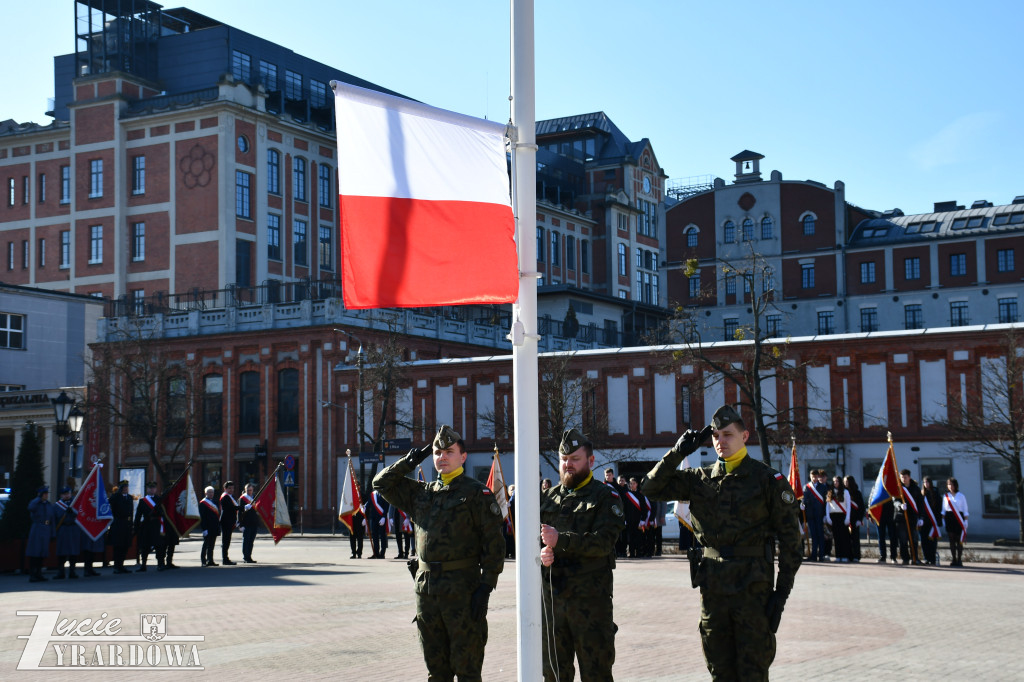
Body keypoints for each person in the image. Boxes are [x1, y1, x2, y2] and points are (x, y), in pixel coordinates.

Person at [641, 406, 802, 681]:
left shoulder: (767, 480)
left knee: (753, 673)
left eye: (728, 434)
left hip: (753, 593)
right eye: (715, 435)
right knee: (719, 672)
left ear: (745, 436)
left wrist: (781, 594)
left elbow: (792, 542)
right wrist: (679, 451)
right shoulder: (699, 479)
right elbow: (650, 487)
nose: (720, 441)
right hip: (713, 592)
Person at [372, 425, 505, 682]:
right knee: (436, 672)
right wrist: (408, 462)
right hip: (427, 591)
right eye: (437, 452)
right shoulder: (422, 492)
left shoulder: (477, 493)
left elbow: (494, 544)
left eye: (449, 452)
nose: (442, 457)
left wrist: (486, 588)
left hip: (463, 592)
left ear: (463, 457)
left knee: (467, 670)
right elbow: (381, 484)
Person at [540, 428, 624, 682]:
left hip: (590, 602)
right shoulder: (548, 498)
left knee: (596, 672)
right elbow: (536, 538)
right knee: (554, 674)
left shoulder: (605, 497)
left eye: (575, 459)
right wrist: (542, 551)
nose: (568, 464)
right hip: (553, 603)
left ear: (590, 461)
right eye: (564, 459)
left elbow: (603, 542)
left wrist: (561, 540)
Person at [134, 481, 167, 572]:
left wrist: (160, 512)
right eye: (150, 488)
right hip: (147, 525)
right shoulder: (143, 501)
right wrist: (136, 527)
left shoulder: (159, 499)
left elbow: (163, 512)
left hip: (157, 525)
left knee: (159, 545)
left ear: (155, 489)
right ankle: (143, 564)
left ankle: (160, 563)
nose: (152, 489)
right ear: (147, 489)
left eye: (153, 488)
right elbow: (138, 514)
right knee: (145, 546)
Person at [894, 469, 924, 565]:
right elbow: (894, 500)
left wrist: (921, 518)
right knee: (903, 540)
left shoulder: (916, 488)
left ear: (909, 477)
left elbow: (920, 504)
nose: (903, 479)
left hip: (912, 517)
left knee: (914, 539)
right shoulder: (898, 488)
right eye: (902, 477)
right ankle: (905, 558)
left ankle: (915, 558)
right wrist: (900, 506)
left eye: (905, 477)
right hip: (901, 517)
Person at [26, 486, 55, 582]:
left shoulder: (48, 504)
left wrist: (53, 533)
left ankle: (39, 573)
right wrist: (38, 499)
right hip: (37, 529)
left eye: (47, 494)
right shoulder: (36, 503)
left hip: (46, 529)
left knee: (42, 552)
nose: (46, 495)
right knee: (35, 552)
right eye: (45, 494)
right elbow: (30, 507)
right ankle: (33, 574)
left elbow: (52, 519)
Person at [53, 486, 81, 579]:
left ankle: (72, 571)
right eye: (65, 494)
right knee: (62, 552)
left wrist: (73, 512)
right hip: (63, 529)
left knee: (73, 552)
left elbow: (81, 514)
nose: (67, 495)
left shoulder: (75, 504)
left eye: (68, 493)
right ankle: (61, 572)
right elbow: (54, 519)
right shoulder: (57, 505)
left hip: (73, 529)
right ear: (61, 495)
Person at [108, 480, 135, 574]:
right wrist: (116, 494)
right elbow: (109, 504)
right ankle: (116, 566)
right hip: (118, 523)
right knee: (118, 546)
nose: (125, 489)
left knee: (125, 546)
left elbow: (131, 512)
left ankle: (122, 565)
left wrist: (132, 524)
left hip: (127, 524)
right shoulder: (116, 497)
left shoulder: (130, 498)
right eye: (123, 487)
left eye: (126, 487)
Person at [942, 477, 969, 567]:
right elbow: (943, 510)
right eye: (949, 484)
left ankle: (959, 559)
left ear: (956, 485)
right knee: (951, 540)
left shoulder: (961, 496)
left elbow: (965, 509)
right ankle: (953, 559)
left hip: (959, 518)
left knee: (959, 540)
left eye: (952, 484)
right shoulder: (946, 496)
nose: (951, 486)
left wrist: (966, 521)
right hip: (949, 518)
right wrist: (943, 520)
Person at [825, 478, 852, 562]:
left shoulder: (845, 492)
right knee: (836, 537)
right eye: (834, 481)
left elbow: (848, 505)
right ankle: (838, 556)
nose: (835, 483)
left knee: (843, 537)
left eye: (837, 481)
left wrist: (847, 517)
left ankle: (844, 555)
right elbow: (828, 505)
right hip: (833, 516)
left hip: (842, 515)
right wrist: (828, 517)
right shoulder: (830, 492)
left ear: (840, 482)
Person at [802, 469, 827, 562]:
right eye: (812, 476)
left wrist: (825, 515)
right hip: (811, 515)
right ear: (810, 476)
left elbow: (826, 502)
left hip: (820, 515)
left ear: (818, 476)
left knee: (820, 535)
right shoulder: (807, 487)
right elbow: (804, 498)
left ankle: (821, 555)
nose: (814, 478)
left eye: (816, 476)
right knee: (813, 535)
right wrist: (803, 504)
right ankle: (813, 555)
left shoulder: (823, 487)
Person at [919, 476, 943, 565]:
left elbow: (939, 507)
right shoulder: (921, 494)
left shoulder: (935, 493)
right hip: (923, 521)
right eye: (925, 482)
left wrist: (939, 520)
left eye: (928, 482)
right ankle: (926, 558)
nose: (926, 484)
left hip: (933, 521)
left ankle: (932, 558)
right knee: (924, 540)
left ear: (931, 483)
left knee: (932, 541)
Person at [844, 475, 865, 563]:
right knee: (847, 538)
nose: (845, 483)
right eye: (844, 481)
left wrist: (859, 519)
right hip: (846, 518)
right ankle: (849, 555)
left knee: (855, 538)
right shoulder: (843, 492)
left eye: (847, 481)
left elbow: (861, 507)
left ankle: (856, 556)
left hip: (855, 519)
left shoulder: (857, 493)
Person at [365, 489, 391, 559]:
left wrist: (384, 517)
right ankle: (376, 553)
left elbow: (386, 506)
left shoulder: (384, 493)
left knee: (382, 536)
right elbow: (369, 502)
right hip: (374, 518)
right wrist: (364, 507)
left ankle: (382, 553)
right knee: (375, 536)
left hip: (381, 518)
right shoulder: (373, 494)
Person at [199, 485, 221, 567]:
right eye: (209, 492)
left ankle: (210, 560)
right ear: (206, 493)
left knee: (212, 545)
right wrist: (204, 529)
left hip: (214, 526)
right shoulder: (203, 503)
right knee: (206, 544)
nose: (211, 494)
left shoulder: (215, 502)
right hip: (207, 527)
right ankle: (203, 561)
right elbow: (202, 517)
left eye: (212, 492)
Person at [219, 481, 239, 565]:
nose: (231, 490)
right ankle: (225, 559)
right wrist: (244, 507)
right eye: (229, 488)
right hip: (226, 521)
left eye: (232, 488)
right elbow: (231, 508)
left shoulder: (230, 497)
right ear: (225, 489)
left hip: (229, 521)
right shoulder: (225, 497)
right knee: (226, 541)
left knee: (227, 540)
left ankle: (226, 558)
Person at [238, 482, 259, 563]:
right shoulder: (242, 499)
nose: (249, 492)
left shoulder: (254, 498)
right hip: (246, 523)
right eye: (248, 490)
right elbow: (239, 512)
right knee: (246, 541)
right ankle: (245, 557)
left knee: (251, 541)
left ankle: (249, 556)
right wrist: (240, 524)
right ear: (245, 490)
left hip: (254, 523)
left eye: (251, 490)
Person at [875, 498, 898, 564]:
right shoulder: (876, 487)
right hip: (880, 515)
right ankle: (883, 556)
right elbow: (873, 499)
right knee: (881, 537)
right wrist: (871, 514)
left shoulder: (892, 487)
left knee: (893, 537)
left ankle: (893, 557)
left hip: (892, 515)